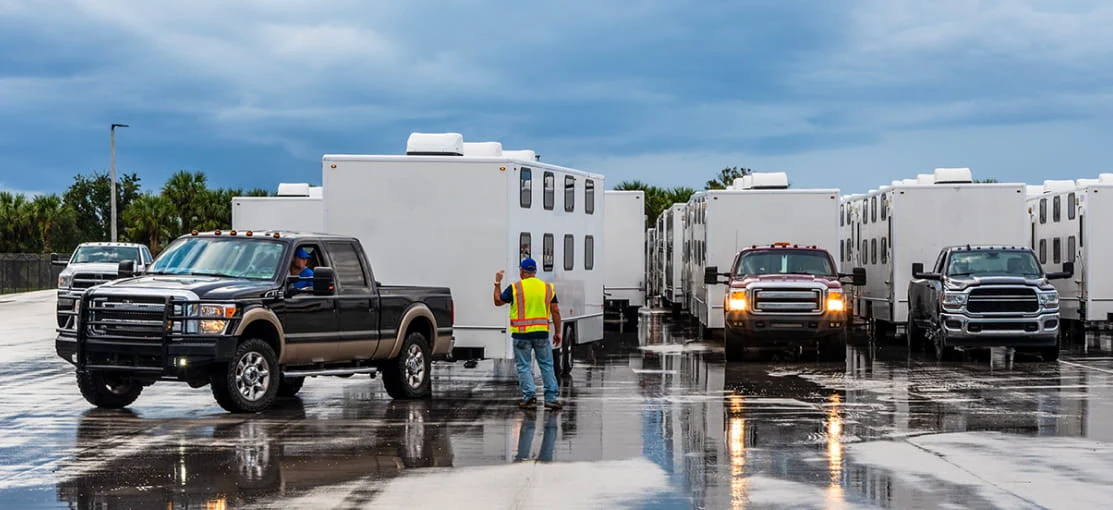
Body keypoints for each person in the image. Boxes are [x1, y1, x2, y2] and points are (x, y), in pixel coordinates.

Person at [494, 258, 563, 410]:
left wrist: (497, 283)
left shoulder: (515, 288)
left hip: (521, 335)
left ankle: (529, 397)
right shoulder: (547, 288)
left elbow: (498, 301)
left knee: (524, 366)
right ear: (535, 272)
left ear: (521, 272)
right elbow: (555, 311)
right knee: (546, 365)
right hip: (541, 334)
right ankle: (551, 398)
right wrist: (558, 332)